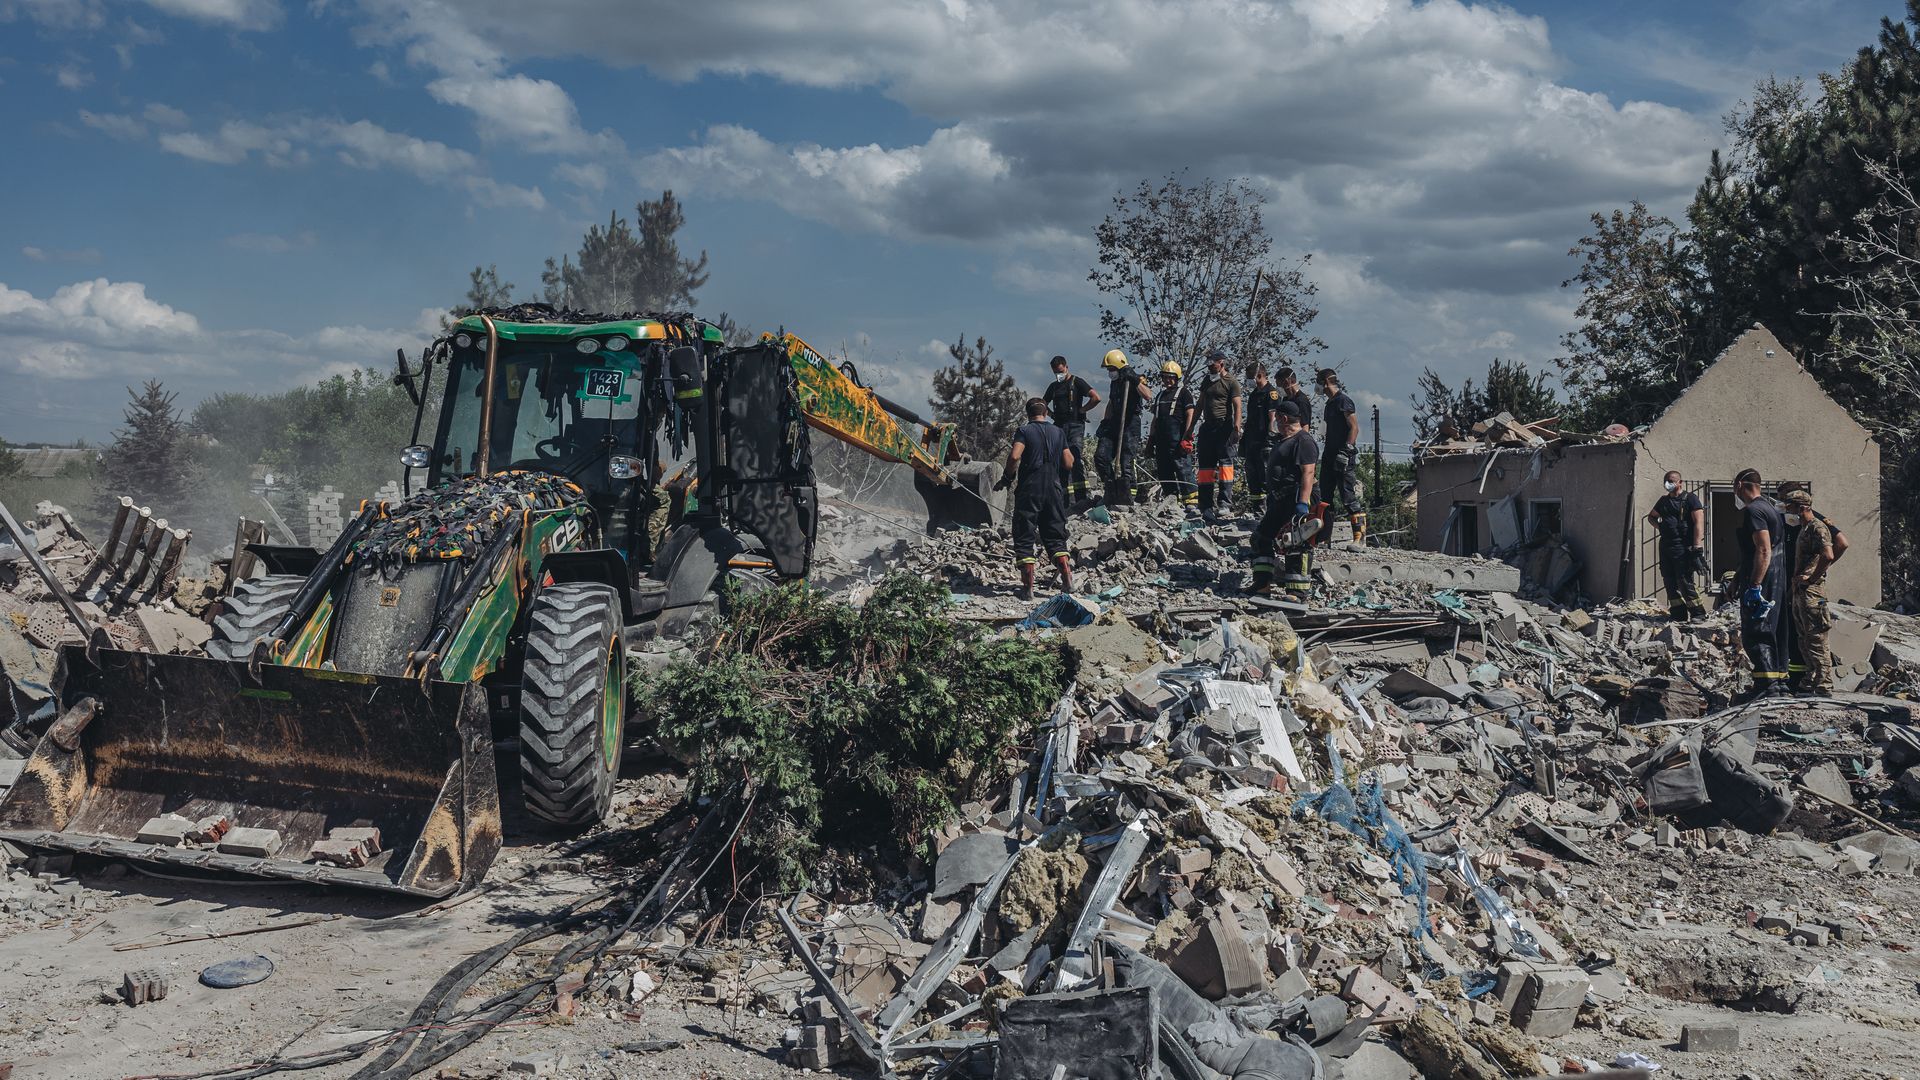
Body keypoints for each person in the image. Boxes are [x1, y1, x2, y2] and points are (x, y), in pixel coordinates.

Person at [996, 397, 1074, 600]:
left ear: (1027, 414)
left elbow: (1014, 457)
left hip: (1030, 488)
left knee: (1024, 534)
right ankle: (1067, 579)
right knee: (1056, 535)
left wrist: (1007, 477)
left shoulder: (1024, 431)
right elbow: (1069, 462)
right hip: (1054, 491)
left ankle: (1028, 589)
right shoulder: (1058, 432)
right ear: (1046, 413)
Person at [1249, 401, 1319, 595]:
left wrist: (1303, 504)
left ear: (1284, 418)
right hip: (1280, 500)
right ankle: (1262, 584)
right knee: (1261, 538)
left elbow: (1308, 473)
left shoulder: (1303, 441)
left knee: (1296, 543)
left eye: (1277, 418)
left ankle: (1297, 593)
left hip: (1296, 497)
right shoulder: (1284, 440)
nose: (1275, 422)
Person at [1733, 468, 1789, 698]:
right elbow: (1751, 553)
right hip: (1775, 577)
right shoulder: (1770, 508)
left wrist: (1755, 585)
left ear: (1740, 485)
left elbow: (1763, 549)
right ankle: (1779, 683)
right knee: (1774, 630)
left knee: (1757, 631)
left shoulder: (1754, 510)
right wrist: (1736, 580)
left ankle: (1767, 688)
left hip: (1763, 578)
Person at [1782, 489, 1835, 694]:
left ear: (1802, 507)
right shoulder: (1804, 529)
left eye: (1790, 507)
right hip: (1800, 591)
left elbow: (1828, 555)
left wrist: (1812, 578)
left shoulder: (1817, 527)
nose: (1788, 511)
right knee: (1803, 638)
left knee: (1816, 638)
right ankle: (1811, 679)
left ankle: (1824, 684)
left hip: (1812, 592)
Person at [1645, 470, 1707, 621]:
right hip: (1666, 546)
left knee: (1684, 580)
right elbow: (1651, 517)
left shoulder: (1690, 499)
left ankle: (1698, 613)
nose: (1668, 483)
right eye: (1666, 480)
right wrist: (1661, 526)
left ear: (1680, 482)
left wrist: (1697, 547)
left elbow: (1699, 522)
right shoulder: (1663, 501)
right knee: (1669, 580)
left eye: (1672, 480)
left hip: (1683, 547)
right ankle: (1678, 613)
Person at [1315, 368, 1365, 544]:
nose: (1317, 385)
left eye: (1318, 381)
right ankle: (1324, 537)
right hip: (1329, 456)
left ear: (1326, 381)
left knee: (1347, 496)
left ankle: (1359, 538)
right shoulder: (1330, 404)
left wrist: (1347, 449)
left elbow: (1354, 427)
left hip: (1343, 458)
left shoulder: (1344, 401)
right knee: (1325, 498)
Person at [1093, 349, 1148, 506]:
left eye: (1112, 369)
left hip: (1130, 423)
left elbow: (1148, 395)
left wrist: (1135, 380)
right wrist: (1105, 421)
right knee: (1101, 456)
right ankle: (1111, 489)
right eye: (1108, 370)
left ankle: (1128, 495)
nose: (1110, 372)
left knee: (1126, 462)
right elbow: (1111, 402)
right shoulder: (1114, 382)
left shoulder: (1136, 378)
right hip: (1114, 422)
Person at [1043, 354, 1100, 502]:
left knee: (1075, 459)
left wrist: (1082, 410)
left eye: (1061, 371)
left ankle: (1081, 498)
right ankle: (1064, 499)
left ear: (1066, 367)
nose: (1059, 375)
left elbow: (1096, 397)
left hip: (1075, 426)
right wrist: (1051, 415)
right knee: (1061, 462)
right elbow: (1042, 403)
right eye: (1056, 372)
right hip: (1059, 427)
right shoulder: (1053, 386)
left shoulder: (1077, 382)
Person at [1194, 350, 1242, 521]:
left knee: (1225, 466)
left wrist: (1236, 428)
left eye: (1213, 363)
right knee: (1205, 468)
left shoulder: (1231, 382)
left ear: (1221, 363)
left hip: (1224, 427)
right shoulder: (1207, 381)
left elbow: (1237, 405)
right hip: (1208, 428)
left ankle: (1224, 503)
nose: (1210, 367)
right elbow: (1200, 404)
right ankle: (1205, 504)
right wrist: (1190, 428)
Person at [1146, 361, 1197, 508]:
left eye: (1170, 377)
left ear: (1177, 377)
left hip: (1178, 441)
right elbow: (1155, 419)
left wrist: (1187, 436)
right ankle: (1171, 500)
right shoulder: (1160, 396)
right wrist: (1150, 441)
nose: (1167, 380)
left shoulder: (1184, 393)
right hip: (1161, 441)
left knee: (1183, 470)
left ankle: (1191, 502)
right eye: (1165, 377)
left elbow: (1190, 414)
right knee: (1164, 471)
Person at [1243, 365, 1280, 506]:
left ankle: (1272, 509)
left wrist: (1270, 440)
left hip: (1264, 443)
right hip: (1251, 443)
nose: (1247, 380)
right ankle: (1257, 510)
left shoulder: (1271, 393)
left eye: (1249, 377)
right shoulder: (1254, 395)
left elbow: (1273, 419)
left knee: (1266, 477)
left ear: (1258, 376)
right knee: (1253, 478)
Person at [1277, 368, 1313, 438]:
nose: (1279, 389)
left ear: (1288, 381)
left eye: (1280, 385)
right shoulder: (1286, 399)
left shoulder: (1301, 401)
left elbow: (1305, 427)